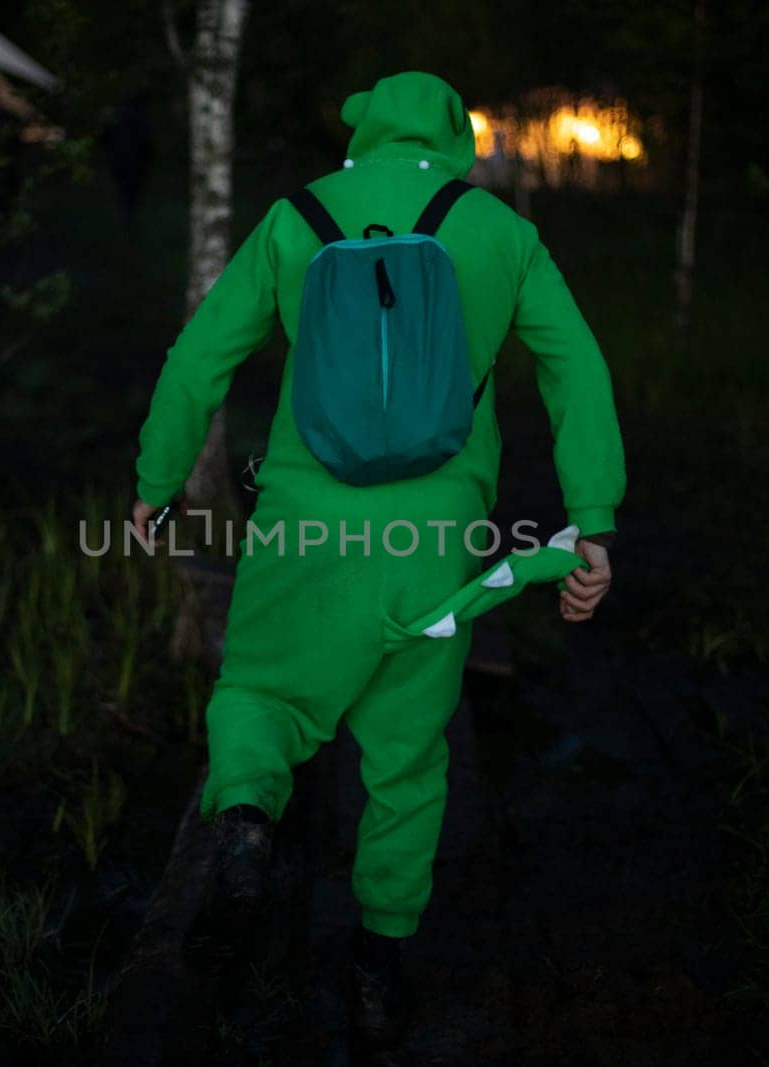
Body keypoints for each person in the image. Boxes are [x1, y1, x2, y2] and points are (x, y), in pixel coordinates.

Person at [130, 70, 626, 1047]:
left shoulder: (298, 215)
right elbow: (576, 368)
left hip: (304, 528)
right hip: (434, 542)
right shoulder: (499, 232)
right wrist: (592, 522)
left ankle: (242, 821)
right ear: (456, 141)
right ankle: (379, 960)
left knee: (261, 696)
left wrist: (154, 484)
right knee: (405, 759)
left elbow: (200, 356)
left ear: (361, 131)